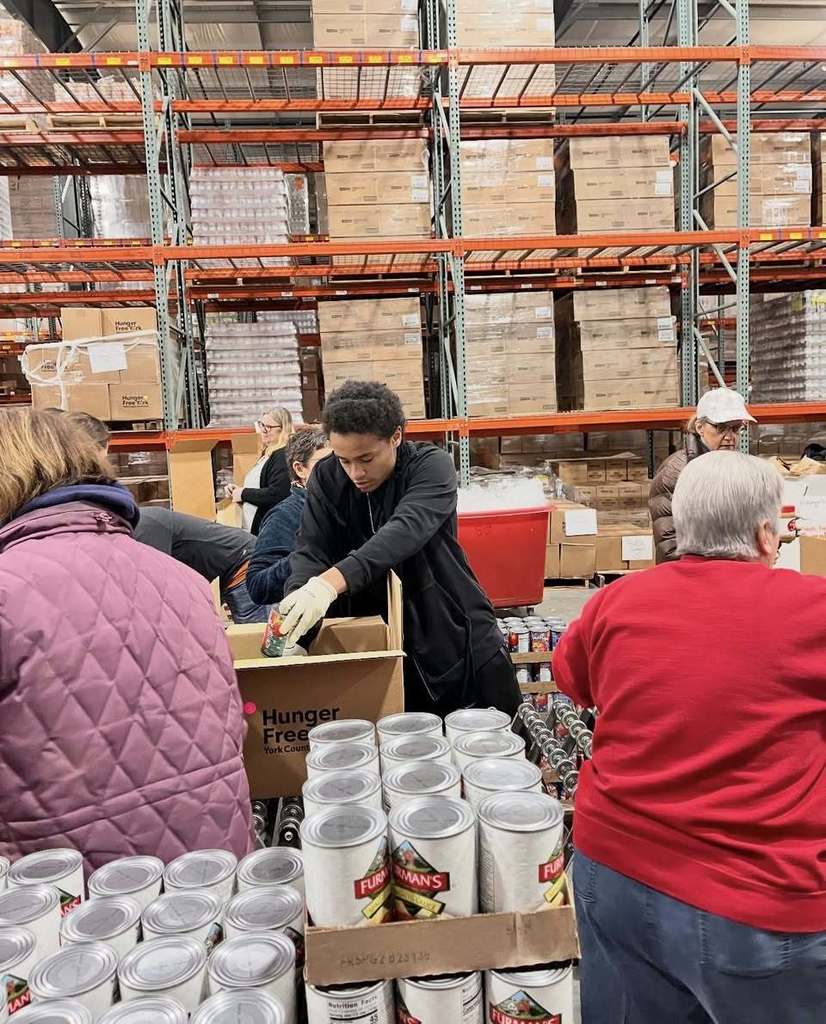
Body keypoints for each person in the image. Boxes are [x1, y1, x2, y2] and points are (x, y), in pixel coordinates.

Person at [555, 451, 826, 1024]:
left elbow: (572, 680)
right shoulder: (812, 609)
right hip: (753, 899)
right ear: (764, 533)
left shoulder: (614, 601)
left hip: (615, 874)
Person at [0, 408, 252, 871]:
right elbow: (231, 725)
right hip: (213, 872)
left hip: (70, 898)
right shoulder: (186, 581)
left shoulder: (7, 590)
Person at [279, 380, 522, 717]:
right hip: (379, 637)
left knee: (491, 745)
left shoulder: (430, 467)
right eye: (344, 460)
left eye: (366, 458)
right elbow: (312, 548)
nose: (355, 473)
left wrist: (328, 583)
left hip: (452, 629)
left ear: (395, 436)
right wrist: (298, 608)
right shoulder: (326, 478)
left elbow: (403, 532)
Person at [67, 412, 269, 624]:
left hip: (245, 561)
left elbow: (158, 590)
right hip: (229, 563)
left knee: (253, 639)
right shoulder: (133, 530)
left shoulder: (145, 529)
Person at [649, 386, 756, 563]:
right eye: (721, 428)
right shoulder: (677, 472)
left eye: (736, 428)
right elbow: (669, 543)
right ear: (700, 427)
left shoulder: (734, 469)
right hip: (690, 577)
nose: (730, 437)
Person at [246, 427, 331, 606]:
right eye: (326, 463)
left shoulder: (346, 505)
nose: (337, 472)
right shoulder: (285, 516)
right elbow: (258, 586)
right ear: (300, 469)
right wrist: (311, 556)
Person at [226, 407, 294, 534]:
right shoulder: (268, 453)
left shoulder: (281, 455)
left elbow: (278, 493)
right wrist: (238, 491)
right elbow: (262, 487)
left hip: (270, 529)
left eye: (268, 427)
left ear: (282, 428)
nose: (263, 430)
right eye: (261, 425)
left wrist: (243, 493)